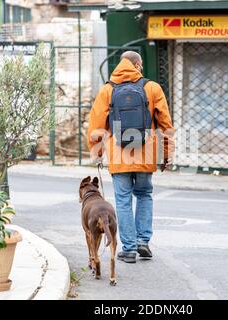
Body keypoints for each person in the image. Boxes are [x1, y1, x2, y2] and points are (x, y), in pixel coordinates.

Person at [87, 51, 174, 263]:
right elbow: (165, 125)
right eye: (140, 64)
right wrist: (166, 155)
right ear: (136, 64)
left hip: (119, 156)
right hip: (146, 154)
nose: (141, 67)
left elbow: (97, 126)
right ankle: (143, 241)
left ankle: (129, 248)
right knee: (144, 194)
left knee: (123, 201)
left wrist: (97, 153)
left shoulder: (107, 90)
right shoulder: (152, 88)